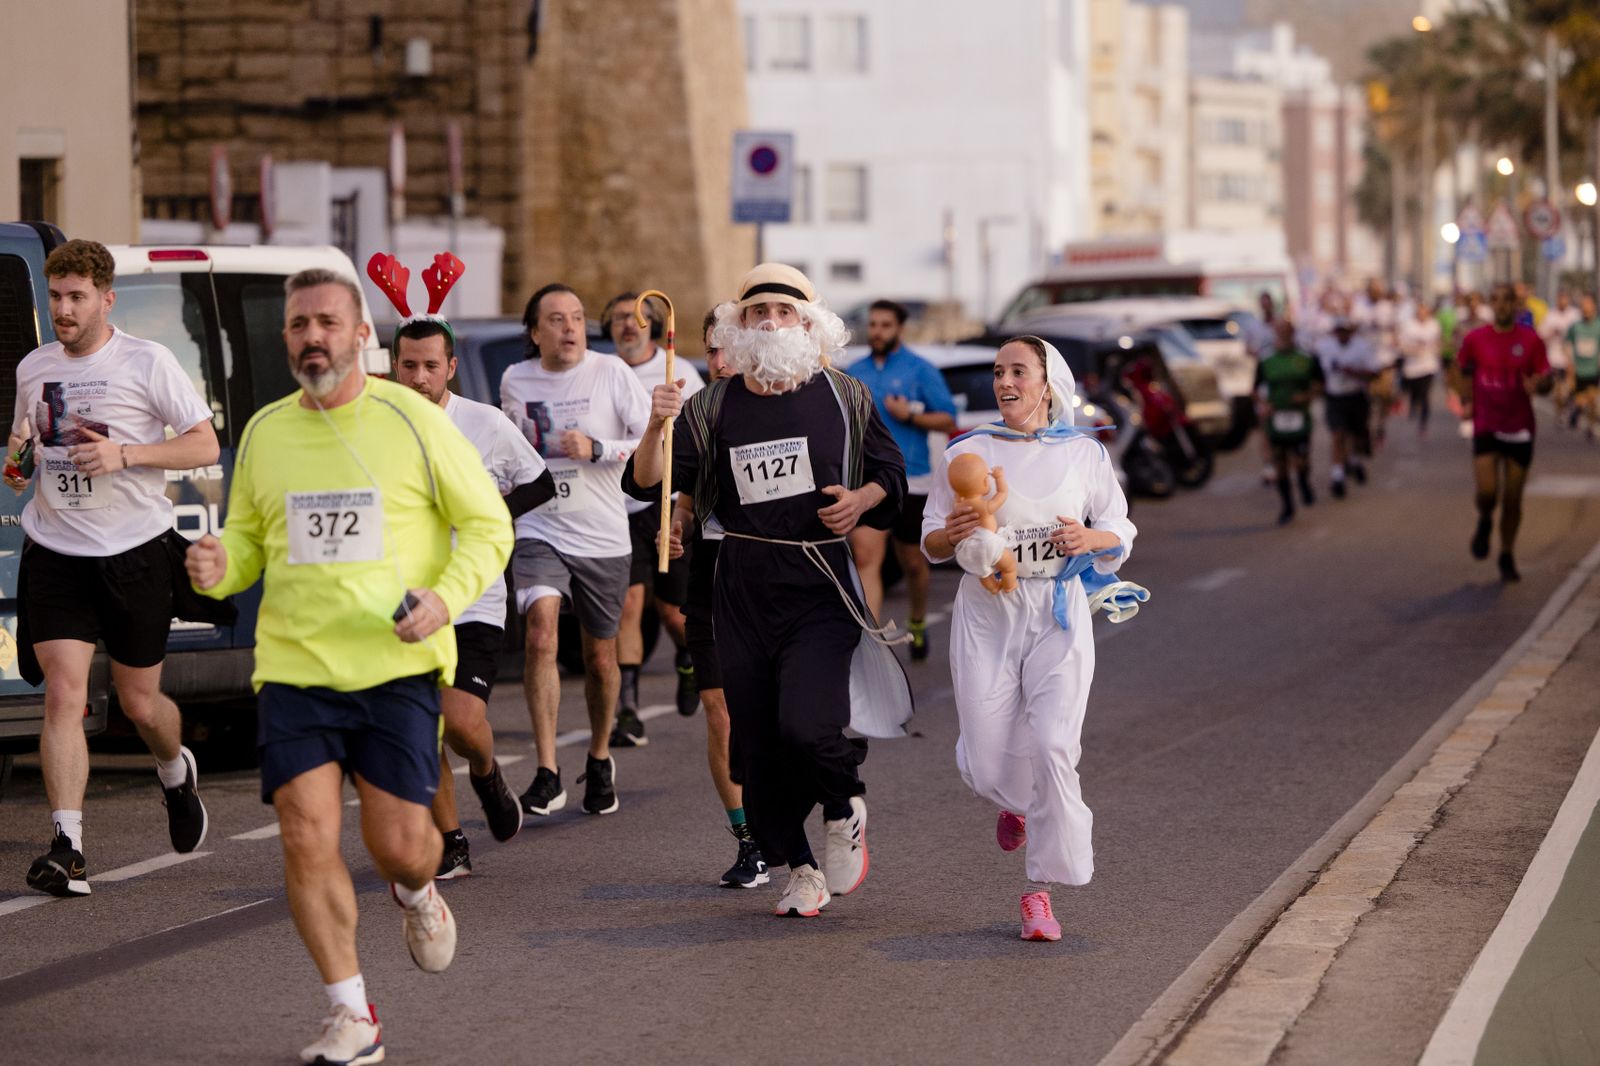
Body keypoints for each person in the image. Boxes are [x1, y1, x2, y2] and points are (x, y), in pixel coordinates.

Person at [184, 267, 512, 1064]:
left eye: (328, 322)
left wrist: (445, 599)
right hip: (296, 667)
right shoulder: (265, 430)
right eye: (298, 325)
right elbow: (252, 541)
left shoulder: (413, 419)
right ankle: (350, 1012)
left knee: (401, 843)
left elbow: (488, 524)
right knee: (305, 834)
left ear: (362, 333)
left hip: (396, 664)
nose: (312, 338)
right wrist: (219, 564)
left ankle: (418, 889)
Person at [628, 264, 907, 918]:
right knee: (754, 749)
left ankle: (842, 809)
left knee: (807, 727)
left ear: (810, 324)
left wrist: (861, 498)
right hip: (741, 588)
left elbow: (892, 477)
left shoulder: (846, 395)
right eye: (759, 314)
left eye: (785, 312)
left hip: (819, 584)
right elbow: (651, 483)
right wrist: (654, 430)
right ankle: (801, 869)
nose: (772, 323)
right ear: (740, 326)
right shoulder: (714, 404)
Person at [10, 239, 222, 898]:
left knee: (138, 703)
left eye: (77, 298)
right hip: (57, 551)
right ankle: (67, 846)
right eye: (57, 297)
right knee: (64, 696)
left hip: (133, 551)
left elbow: (203, 442)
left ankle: (172, 769)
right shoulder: (33, 368)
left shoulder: (146, 362)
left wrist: (126, 454)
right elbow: (20, 462)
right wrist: (18, 458)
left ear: (107, 299)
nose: (64, 310)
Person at [921, 335, 1137, 942]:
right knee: (991, 760)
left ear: (1048, 383)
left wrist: (1094, 541)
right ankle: (1014, 802)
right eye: (998, 372)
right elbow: (932, 538)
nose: (1004, 382)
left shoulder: (1084, 454)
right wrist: (954, 532)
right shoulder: (969, 450)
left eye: (1018, 371)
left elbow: (1118, 522)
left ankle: (1038, 891)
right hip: (988, 613)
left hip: (1059, 611)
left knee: (1052, 746)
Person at [390, 304, 556, 879]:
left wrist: (489, 515)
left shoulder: (484, 422)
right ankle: (451, 841)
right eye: (408, 365)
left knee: (461, 723)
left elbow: (541, 482)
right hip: (405, 600)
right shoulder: (379, 425)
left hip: (475, 595)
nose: (418, 377)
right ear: (393, 367)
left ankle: (486, 774)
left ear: (451, 368)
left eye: (429, 365)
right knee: (422, 725)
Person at [503, 284, 650, 817]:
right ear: (535, 331)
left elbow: (654, 438)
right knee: (541, 634)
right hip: (541, 526)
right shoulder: (515, 380)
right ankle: (547, 771)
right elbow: (512, 448)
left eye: (577, 318)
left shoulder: (611, 372)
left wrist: (598, 449)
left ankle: (599, 754)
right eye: (556, 319)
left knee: (599, 656)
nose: (569, 328)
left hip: (602, 533)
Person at [655, 310, 769, 888]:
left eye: (729, 347)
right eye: (712, 350)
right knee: (720, 711)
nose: (719, 360)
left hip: (773, 574)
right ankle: (749, 841)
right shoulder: (700, 413)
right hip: (712, 572)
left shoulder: (780, 407)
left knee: (778, 715)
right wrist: (676, 518)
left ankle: (803, 815)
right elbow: (674, 483)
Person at [603, 291, 707, 742]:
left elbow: (698, 439)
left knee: (672, 614)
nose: (628, 325)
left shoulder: (678, 371)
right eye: (619, 318)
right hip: (619, 506)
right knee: (629, 604)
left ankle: (687, 658)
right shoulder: (602, 371)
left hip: (666, 506)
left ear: (654, 324)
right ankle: (628, 707)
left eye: (636, 317)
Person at [844, 299, 957, 659]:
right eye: (873, 324)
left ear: (899, 329)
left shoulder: (920, 370)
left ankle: (918, 620)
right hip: (866, 480)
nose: (877, 331)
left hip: (912, 478)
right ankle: (870, 644)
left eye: (885, 325)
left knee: (912, 561)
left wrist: (909, 414)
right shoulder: (854, 371)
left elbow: (947, 418)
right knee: (866, 558)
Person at [1451, 282, 1552, 582]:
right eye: (1495, 300)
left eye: (1506, 300)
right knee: (1487, 492)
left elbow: (1546, 377)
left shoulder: (1530, 340)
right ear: (1490, 305)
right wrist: (1466, 400)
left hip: (1520, 427)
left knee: (1512, 499)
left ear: (1515, 304)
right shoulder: (1476, 339)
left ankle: (1507, 553)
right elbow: (1458, 370)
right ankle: (1484, 518)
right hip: (1486, 424)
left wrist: (1540, 385)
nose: (1501, 305)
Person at [1255, 319, 1322, 524]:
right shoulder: (1266, 359)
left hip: (1299, 418)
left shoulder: (1306, 358)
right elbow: (1255, 388)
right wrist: (1264, 404)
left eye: (1286, 332)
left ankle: (1303, 481)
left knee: (1301, 461)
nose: (1282, 336)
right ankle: (1287, 506)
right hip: (1277, 419)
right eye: (1279, 332)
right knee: (1280, 464)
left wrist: (1306, 396)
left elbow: (1319, 383)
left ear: (1293, 333)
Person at [1310, 318, 1378, 498]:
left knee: (1356, 435)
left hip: (1356, 396)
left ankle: (1355, 461)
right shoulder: (1325, 347)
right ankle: (1337, 476)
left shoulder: (1362, 347)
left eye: (1345, 331)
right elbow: (1317, 372)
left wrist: (1353, 372)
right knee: (1337, 435)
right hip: (1335, 398)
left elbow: (1374, 373)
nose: (1342, 335)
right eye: (1339, 331)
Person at [1397, 299, 1442, 437]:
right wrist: (1414, 350)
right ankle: (1412, 404)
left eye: (1425, 312)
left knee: (1425, 395)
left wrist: (1435, 349)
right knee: (1414, 393)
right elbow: (1401, 346)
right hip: (1412, 367)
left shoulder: (1434, 325)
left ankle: (1423, 425)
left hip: (1428, 366)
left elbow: (1439, 343)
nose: (1422, 314)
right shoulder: (1408, 326)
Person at [1539, 290, 1579, 420]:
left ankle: (1568, 405)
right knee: (1558, 390)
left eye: (1564, 298)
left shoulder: (1575, 315)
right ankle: (1559, 411)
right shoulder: (1551, 315)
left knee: (1569, 387)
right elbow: (1540, 335)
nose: (1562, 301)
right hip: (1554, 359)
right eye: (1560, 298)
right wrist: (1551, 332)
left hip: (1570, 359)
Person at [1565, 295, 1600, 441]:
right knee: (1580, 400)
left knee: (1593, 400)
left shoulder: (1598, 326)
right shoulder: (1575, 327)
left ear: (1594, 308)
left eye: (1588, 307)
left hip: (1593, 370)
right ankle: (1576, 410)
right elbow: (1567, 345)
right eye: (1583, 308)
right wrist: (1570, 364)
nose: (1585, 311)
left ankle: (1591, 426)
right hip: (1578, 370)